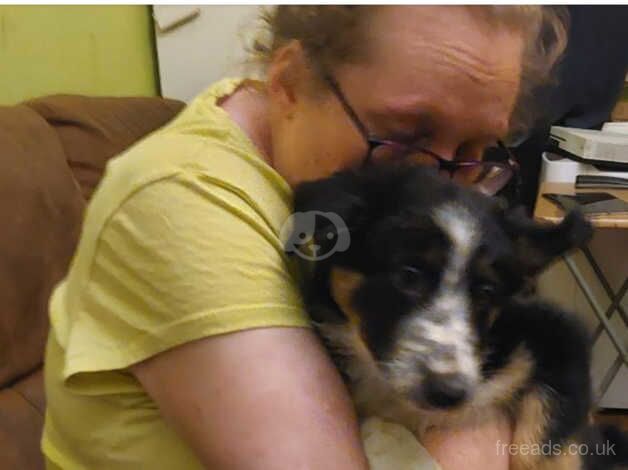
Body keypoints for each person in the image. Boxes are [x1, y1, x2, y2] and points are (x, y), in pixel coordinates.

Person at [42, 6, 567, 469]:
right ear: (289, 82)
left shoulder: (299, 166)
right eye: (407, 135)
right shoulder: (181, 199)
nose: (442, 187)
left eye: (477, 149)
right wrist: (477, 437)